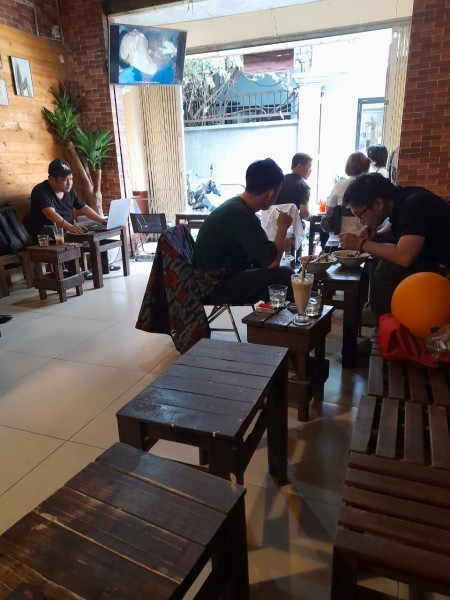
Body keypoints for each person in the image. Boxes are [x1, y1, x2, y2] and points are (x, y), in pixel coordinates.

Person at [339, 173, 450, 317]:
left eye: (359, 215)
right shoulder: (401, 200)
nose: (360, 221)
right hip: (434, 260)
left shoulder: (415, 204)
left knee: (389, 268)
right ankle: (376, 310)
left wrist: (360, 243)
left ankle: (384, 323)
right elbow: (395, 231)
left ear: (378, 203)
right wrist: (374, 237)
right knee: (376, 256)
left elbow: (405, 257)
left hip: (445, 267)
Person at [193, 158, 294, 305]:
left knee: (274, 270)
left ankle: (273, 318)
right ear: (271, 193)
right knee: (285, 276)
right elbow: (272, 262)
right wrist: (282, 228)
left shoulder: (237, 206)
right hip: (214, 287)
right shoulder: (240, 214)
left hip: (216, 280)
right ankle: (294, 318)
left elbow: (264, 255)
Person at [29, 159, 107, 237]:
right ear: (52, 179)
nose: (69, 183)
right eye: (65, 179)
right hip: (48, 234)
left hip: (68, 230)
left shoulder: (69, 190)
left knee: (97, 231)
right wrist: (70, 227)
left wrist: (102, 220)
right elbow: (50, 214)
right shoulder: (40, 191)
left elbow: (84, 208)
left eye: (71, 179)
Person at [321, 151, 371, 237]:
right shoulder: (371, 185)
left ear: (348, 166)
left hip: (341, 236)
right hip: (366, 236)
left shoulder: (339, 185)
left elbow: (329, 211)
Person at [276, 153, 312, 221]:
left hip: (272, 224)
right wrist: (309, 215)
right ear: (299, 166)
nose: (311, 171)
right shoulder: (304, 187)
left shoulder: (279, 180)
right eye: (309, 167)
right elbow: (304, 213)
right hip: (290, 225)